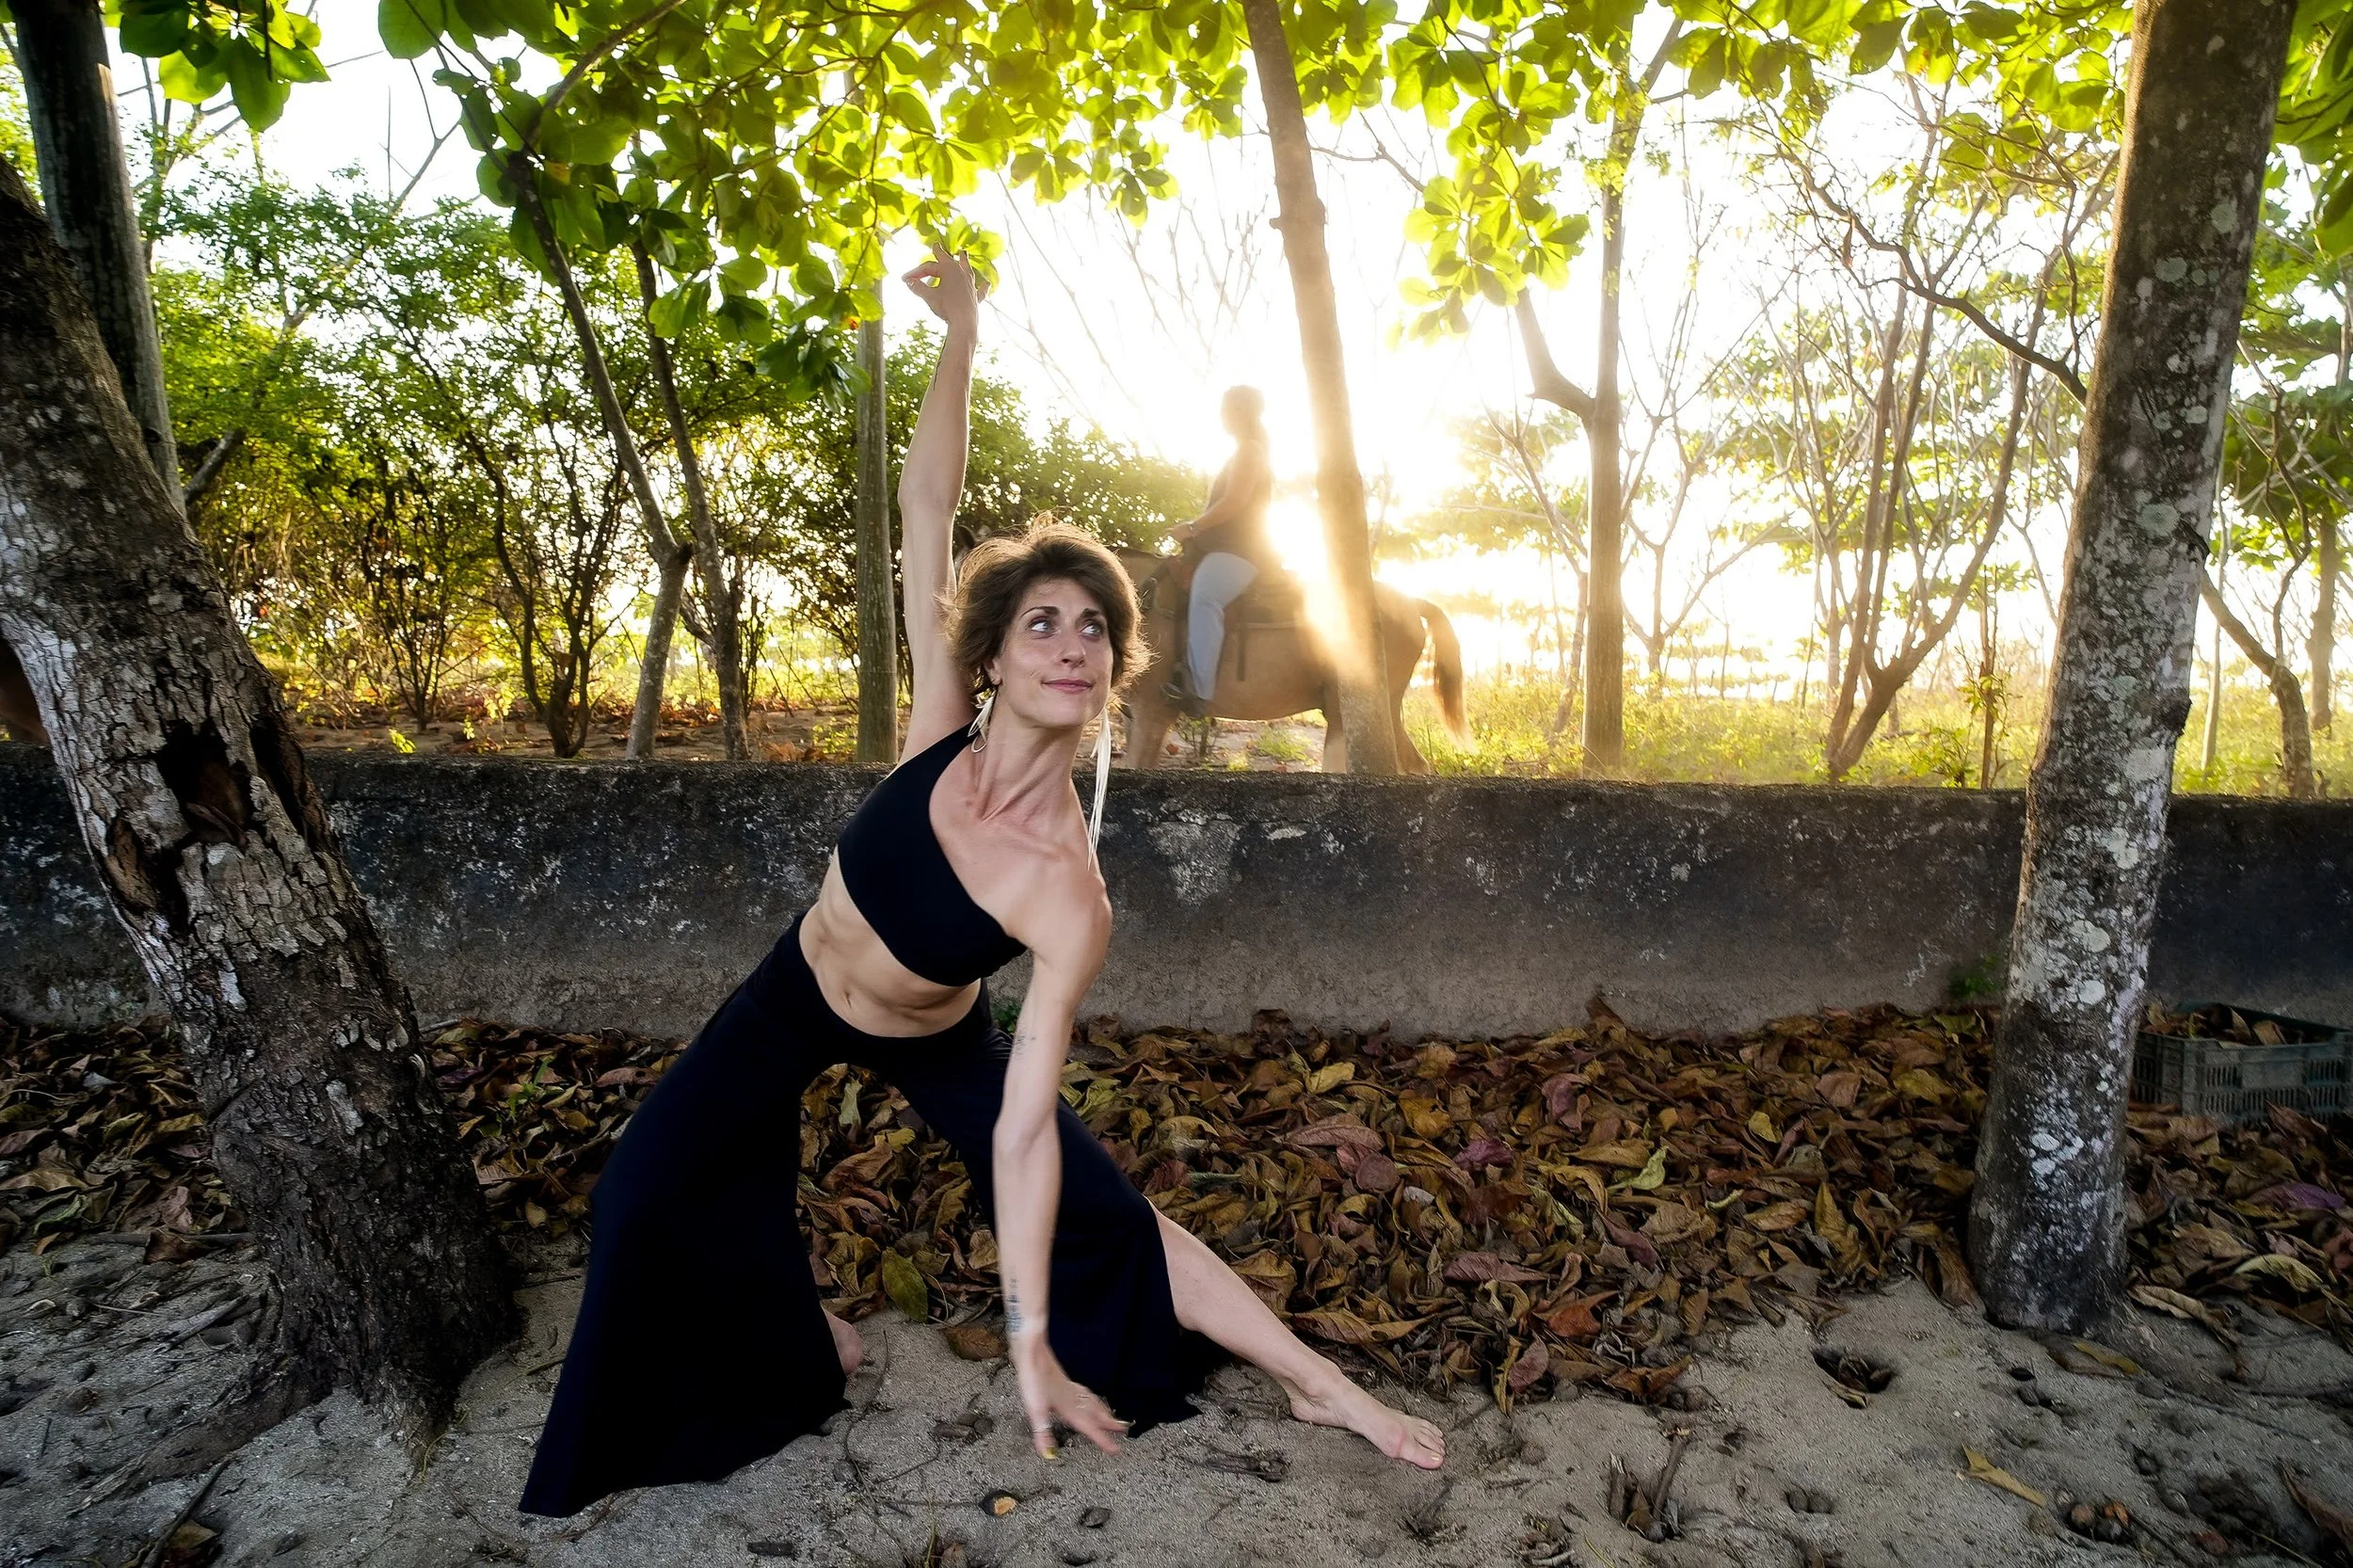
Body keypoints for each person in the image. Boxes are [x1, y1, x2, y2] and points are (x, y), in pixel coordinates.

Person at [519, 254, 1442, 1520]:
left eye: (1096, 631)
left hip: (931, 1034)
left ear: (1114, 676)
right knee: (645, 1185)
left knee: (1108, 1211)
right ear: (997, 657)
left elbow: (1016, 1133)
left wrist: (1025, 1333)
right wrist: (962, 332)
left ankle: (1317, 1380)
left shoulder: (1070, 890)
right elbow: (928, 506)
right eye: (1044, 623)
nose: (1073, 643)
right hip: (793, 992)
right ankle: (806, 1338)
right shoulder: (938, 726)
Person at [1163, 385, 1277, 712]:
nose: (1221, 416)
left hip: (1241, 552)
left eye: (1225, 408)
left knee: (1206, 597)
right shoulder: (1247, 450)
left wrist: (1193, 527)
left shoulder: (1250, 451)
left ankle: (1198, 691)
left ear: (1240, 412)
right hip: (1227, 548)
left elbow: (1235, 502)